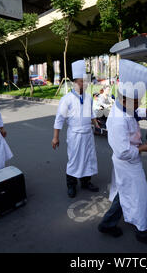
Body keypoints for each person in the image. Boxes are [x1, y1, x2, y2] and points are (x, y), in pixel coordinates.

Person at [98, 59, 147, 248]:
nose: (139, 103)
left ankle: (107, 224)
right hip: (127, 162)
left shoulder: (124, 108)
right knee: (139, 196)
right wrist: (144, 148)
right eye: (137, 101)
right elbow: (123, 152)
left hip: (127, 161)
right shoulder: (118, 119)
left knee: (124, 193)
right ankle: (143, 231)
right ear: (125, 98)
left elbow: (135, 113)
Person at [52, 60, 100, 198]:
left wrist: (96, 125)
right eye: (80, 82)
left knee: (88, 158)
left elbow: (91, 114)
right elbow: (59, 119)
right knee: (74, 160)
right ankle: (71, 185)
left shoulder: (89, 97)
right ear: (74, 82)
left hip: (88, 134)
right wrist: (55, 137)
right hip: (75, 134)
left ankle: (86, 182)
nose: (83, 84)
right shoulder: (66, 99)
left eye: (85, 82)